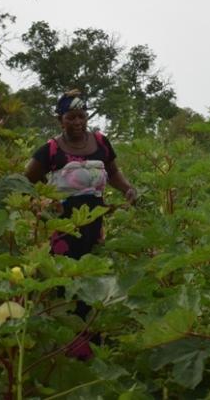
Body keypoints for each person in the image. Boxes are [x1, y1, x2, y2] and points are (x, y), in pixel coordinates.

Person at [25, 89, 137, 323]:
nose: (77, 122)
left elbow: (113, 171)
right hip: (63, 226)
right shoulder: (51, 149)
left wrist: (127, 188)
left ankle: (89, 336)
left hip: (93, 223)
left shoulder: (100, 142)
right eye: (70, 117)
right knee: (64, 278)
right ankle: (64, 332)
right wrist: (48, 197)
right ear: (60, 119)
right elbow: (28, 178)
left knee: (91, 277)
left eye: (81, 116)